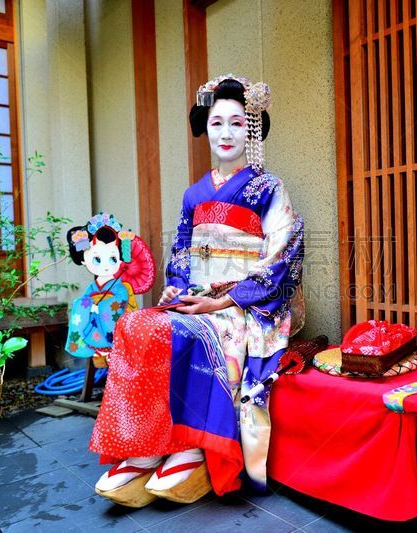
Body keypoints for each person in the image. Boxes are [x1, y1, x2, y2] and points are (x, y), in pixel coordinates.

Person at [89, 75, 305, 508]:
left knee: (193, 333)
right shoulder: (193, 194)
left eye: (237, 123)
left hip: (247, 304)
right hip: (199, 295)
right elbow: (182, 255)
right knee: (138, 324)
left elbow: (285, 252)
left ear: (253, 129)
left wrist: (223, 299)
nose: (225, 133)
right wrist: (177, 292)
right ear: (204, 128)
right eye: (216, 123)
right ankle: (145, 443)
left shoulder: (270, 188)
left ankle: (190, 445)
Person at [64, 213, 139, 362]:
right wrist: (88, 306)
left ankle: (109, 346)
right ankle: (80, 343)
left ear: (120, 260)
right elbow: (85, 302)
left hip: (112, 325)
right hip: (93, 324)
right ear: (84, 260)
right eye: (97, 259)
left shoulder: (120, 287)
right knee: (79, 304)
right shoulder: (93, 287)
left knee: (98, 309)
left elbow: (119, 302)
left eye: (112, 258)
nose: (105, 265)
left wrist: (99, 307)